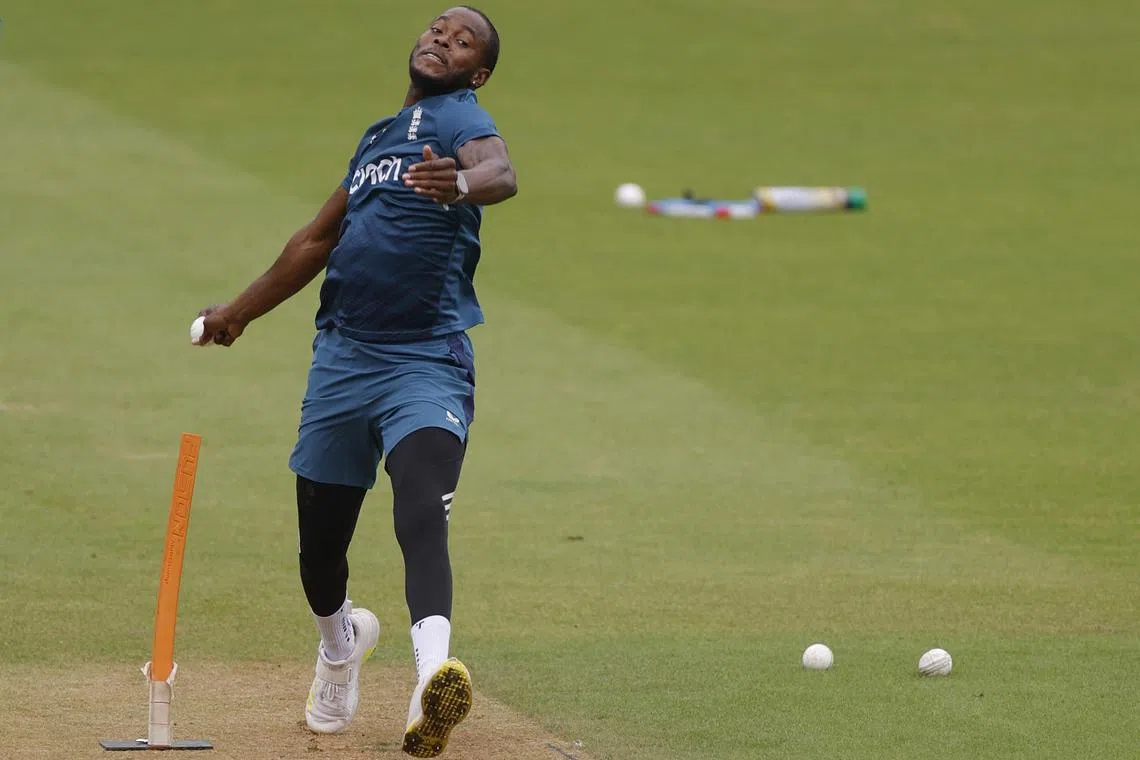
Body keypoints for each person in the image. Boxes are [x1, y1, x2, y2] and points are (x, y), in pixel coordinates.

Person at [194, 7, 517, 757]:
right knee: (319, 551)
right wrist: (238, 313)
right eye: (438, 27)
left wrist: (464, 183)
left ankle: (430, 681)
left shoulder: (463, 118)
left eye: (463, 39)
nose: (443, 37)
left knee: (419, 510)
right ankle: (341, 643)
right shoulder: (376, 138)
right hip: (342, 357)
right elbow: (314, 239)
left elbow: (501, 172)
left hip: (424, 358)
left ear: (478, 73)